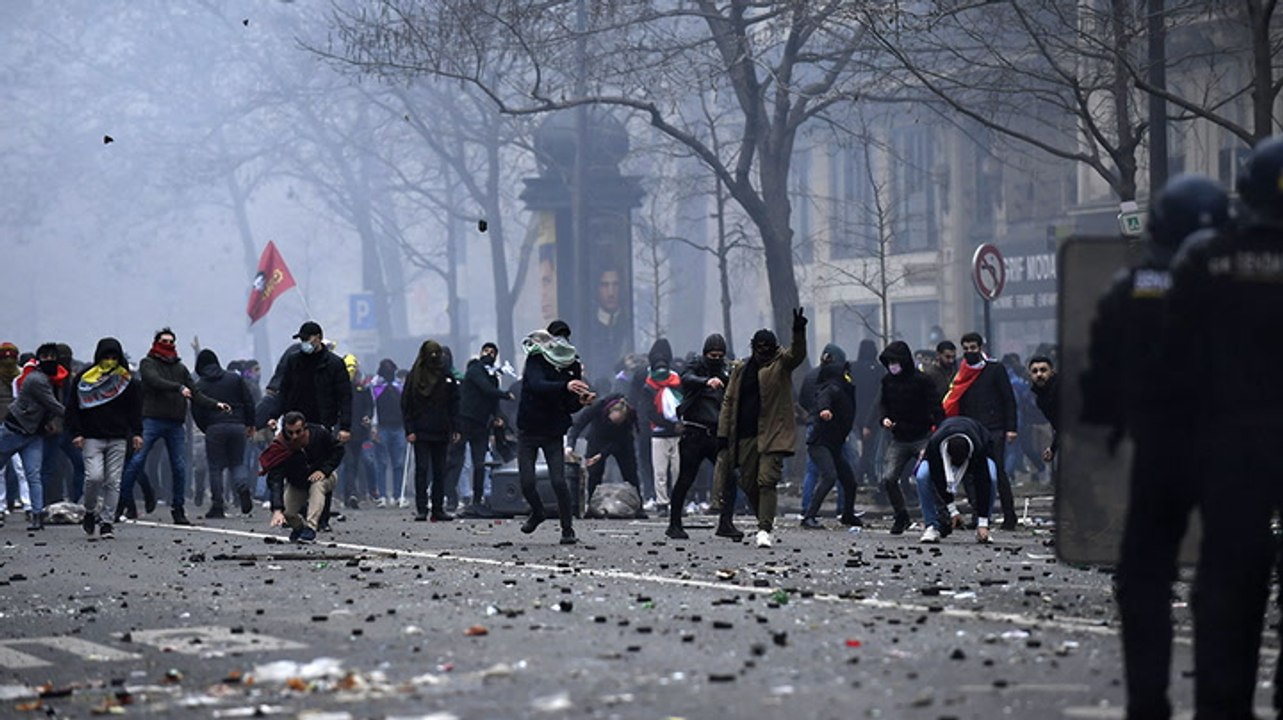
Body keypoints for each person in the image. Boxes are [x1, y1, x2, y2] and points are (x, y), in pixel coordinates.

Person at [1125, 168, 1252, 717]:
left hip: (1165, 455)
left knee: (1146, 577)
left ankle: (1148, 703)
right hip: (1241, 456)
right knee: (1237, 573)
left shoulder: (1137, 291)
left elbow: (1103, 380)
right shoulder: (1246, 288)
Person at [715, 308, 807, 548]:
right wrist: (723, 434)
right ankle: (764, 518)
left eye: (768, 348)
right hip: (745, 434)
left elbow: (797, 355)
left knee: (767, 480)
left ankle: (764, 528)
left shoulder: (781, 363)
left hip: (774, 432)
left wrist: (798, 331)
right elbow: (729, 401)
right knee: (748, 482)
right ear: (753, 347)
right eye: (759, 348)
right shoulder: (741, 370)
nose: (763, 352)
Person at [120, 328, 229, 525]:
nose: (168, 345)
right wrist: (178, 387)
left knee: (179, 466)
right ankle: (121, 503)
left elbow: (195, 393)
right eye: (164, 341)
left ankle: (178, 508)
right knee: (137, 461)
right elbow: (154, 381)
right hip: (152, 419)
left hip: (175, 423)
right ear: (156, 342)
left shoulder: (180, 368)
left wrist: (216, 405)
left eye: (171, 342)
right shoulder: (148, 363)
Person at [516, 320, 594, 545]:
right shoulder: (536, 358)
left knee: (559, 482)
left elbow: (568, 404)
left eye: (564, 336)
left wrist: (580, 401)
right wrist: (565, 386)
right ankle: (538, 512)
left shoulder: (572, 364)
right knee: (527, 482)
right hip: (529, 428)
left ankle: (567, 529)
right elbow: (537, 384)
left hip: (553, 430)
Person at [66, 338, 142, 538]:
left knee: (113, 482)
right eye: (106, 357)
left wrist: (137, 433)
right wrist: (76, 433)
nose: (110, 361)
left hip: (118, 437)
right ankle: (90, 511)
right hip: (92, 437)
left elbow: (134, 409)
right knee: (93, 477)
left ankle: (107, 522)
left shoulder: (125, 381)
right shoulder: (84, 379)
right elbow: (73, 408)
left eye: (114, 357)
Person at [943, 332, 1018, 530]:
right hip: (970, 428)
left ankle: (1009, 515)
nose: (969, 352)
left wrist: (1011, 427)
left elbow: (1008, 399)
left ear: (980, 348)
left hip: (994, 428)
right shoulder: (961, 371)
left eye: (973, 348)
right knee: (969, 473)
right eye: (966, 349)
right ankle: (979, 514)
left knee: (997, 472)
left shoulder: (995, 369)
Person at [874, 340, 943, 534]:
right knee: (889, 478)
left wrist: (937, 432)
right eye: (889, 362)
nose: (892, 366)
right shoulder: (887, 381)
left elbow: (935, 407)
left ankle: (941, 513)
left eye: (895, 362)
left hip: (922, 436)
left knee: (928, 477)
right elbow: (883, 404)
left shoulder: (922, 381)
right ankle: (901, 515)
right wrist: (884, 418)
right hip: (899, 438)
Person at [666, 333, 731, 540]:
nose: (716, 359)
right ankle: (674, 524)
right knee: (686, 479)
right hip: (694, 433)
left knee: (729, 478)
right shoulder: (695, 366)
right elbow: (686, 378)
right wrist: (706, 382)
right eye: (712, 355)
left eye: (720, 355)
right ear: (705, 354)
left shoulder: (726, 370)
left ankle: (726, 523)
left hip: (716, 434)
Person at [0, 344, 66, 530]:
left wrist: (49, 421)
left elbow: (49, 406)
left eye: (52, 356)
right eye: (45, 356)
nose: (49, 360)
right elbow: (52, 404)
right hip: (13, 430)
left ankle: (37, 514)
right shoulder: (36, 380)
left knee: (32, 475)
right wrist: (75, 418)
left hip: (33, 433)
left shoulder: (55, 380)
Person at [259, 411, 344, 544]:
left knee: (317, 485)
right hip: (298, 483)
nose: (295, 436)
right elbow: (276, 480)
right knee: (287, 512)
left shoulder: (319, 433)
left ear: (305, 428)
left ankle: (311, 527)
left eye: (298, 432)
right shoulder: (280, 447)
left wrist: (324, 470)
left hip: (325, 477)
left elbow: (338, 449)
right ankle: (299, 528)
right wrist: (277, 509)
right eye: (290, 432)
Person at [193, 349, 256, 518]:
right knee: (237, 463)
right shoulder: (234, 378)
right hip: (237, 425)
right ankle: (242, 486)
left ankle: (217, 505)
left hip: (214, 427)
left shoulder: (200, 385)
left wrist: (206, 428)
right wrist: (250, 423)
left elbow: (196, 410)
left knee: (215, 467)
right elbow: (248, 401)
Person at [914, 415, 998, 544]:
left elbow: (983, 482)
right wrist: (952, 510)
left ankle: (983, 527)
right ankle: (931, 525)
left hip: (978, 443)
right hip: (941, 450)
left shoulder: (978, 447)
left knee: (991, 477)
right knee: (922, 476)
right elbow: (938, 479)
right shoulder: (935, 443)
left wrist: (983, 522)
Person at [798, 344, 857, 523]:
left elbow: (804, 399)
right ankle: (809, 515)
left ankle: (847, 514)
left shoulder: (829, 382)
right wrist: (823, 410)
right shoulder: (832, 386)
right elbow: (825, 397)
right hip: (821, 439)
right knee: (828, 476)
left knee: (849, 480)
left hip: (833, 440)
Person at [402, 340, 461, 522]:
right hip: (420, 430)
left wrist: (455, 427)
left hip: (441, 429)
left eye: (437, 353)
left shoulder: (446, 375)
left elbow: (454, 403)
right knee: (422, 470)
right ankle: (422, 508)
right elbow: (406, 404)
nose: (434, 357)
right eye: (431, 353)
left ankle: (438, 508)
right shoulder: (415, 377)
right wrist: (409, 429)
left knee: (439, 471)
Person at [458, 343, 512, 517]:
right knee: (457, 461)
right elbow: (487, 390)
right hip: (466, 420)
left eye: (492, 352)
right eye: (486, 351)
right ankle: (452, 497)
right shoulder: (475, 370)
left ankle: (477, 500)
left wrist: (497, 415)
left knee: (480, 463)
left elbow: (492, 400)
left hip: (481, 424)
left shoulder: (493, 376)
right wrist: (505, 394)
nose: (489, 354)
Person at [567, 393, 642, 506]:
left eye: (618, 422)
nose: (614, 423)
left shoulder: (629, 418)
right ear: (608, 412)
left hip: (621, 442)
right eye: (612, 420)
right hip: (597, 437)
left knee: (630, 473)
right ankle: (592, 504)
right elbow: (578, 425)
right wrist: (570, 445)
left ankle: (638, 504)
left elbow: (619, 442)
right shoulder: (597, 407)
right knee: (594, 473)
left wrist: (602, 454)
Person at [642, 339, 682, 513]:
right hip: (661, 433)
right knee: (660, 472)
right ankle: (662, 502)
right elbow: (650, 412)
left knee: (677, 471)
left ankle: (677, 501)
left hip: (675, 433)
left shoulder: (677, 382)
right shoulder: (649, 386)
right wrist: (672, 425)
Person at [338, 354, 374, 510]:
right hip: (342, 431)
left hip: (358, 432)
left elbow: (369, 406)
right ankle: (351, 492)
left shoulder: (362, 389)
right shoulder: (337, 389)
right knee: (349, 462)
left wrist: (367, 417)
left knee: (355, 463)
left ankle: (350, 494)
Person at [370, 359, 406, 507]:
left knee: (399, 464)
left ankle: (398, 495)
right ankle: (383, 495)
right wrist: (374, 427)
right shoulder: (376, 387)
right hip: (382, 428)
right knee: (382, 464)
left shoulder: (400, 387)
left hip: (399, 428)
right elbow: (373, 408)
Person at [1026, 356, 1059, 463]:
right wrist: (1053, 448)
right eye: (1035, 371)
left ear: (1052, 372)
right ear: (1030, 375)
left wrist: (1053, 448)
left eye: (1043, 370)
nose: (1039, 374)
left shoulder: (1060, 388)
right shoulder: (1041, 399)